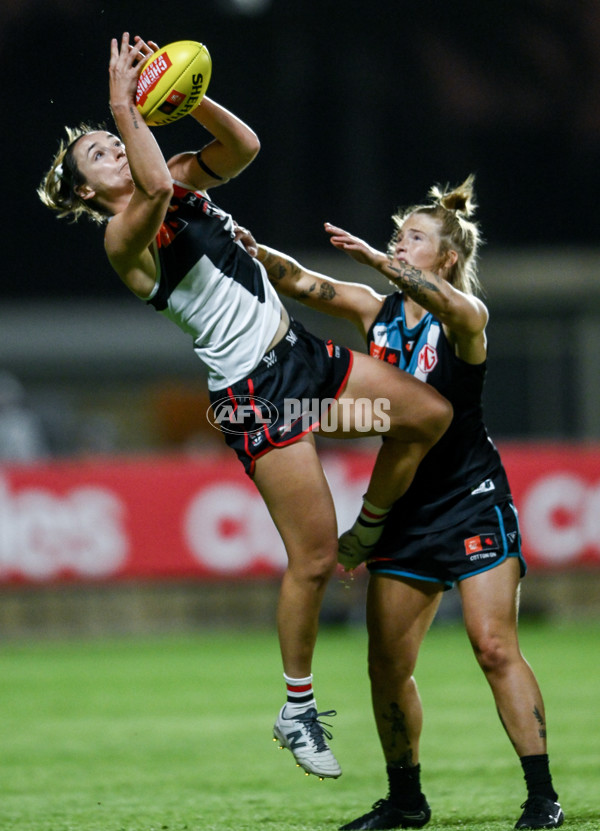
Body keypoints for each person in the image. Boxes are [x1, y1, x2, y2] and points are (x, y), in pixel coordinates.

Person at [37, 33, 452, 781]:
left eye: (111, 140)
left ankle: (380, 524)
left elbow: (246, 145)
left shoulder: (182, 177)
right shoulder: (123, 235)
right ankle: (297, 708)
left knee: (428, 414)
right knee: (314, 559)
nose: (115, 148)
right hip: (253, 397)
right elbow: (155, 189)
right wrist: (120, 104)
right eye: (99, 153)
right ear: (88, 193)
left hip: (299, 358)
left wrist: (187, 96)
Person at [254, 176, 563, 828]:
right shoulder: (378, 311)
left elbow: (454, 309)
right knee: (386, 666)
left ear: (447, 258)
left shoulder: (467, 319)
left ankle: (542, 797)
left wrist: (375, 258)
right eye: (399, 235)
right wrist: (244, 247)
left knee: (493, 647)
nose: (400, 243)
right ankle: (406, 801)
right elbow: (306, 282)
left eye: (414, 238)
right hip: (405, 512)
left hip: (472, 498)